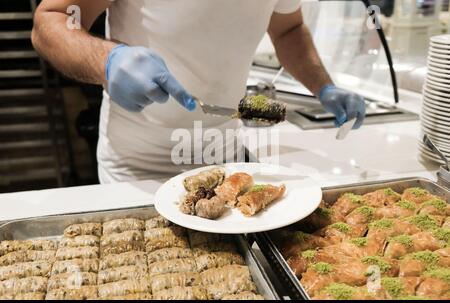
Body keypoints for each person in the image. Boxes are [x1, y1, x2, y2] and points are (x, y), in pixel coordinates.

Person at [32, 0, 366, 183]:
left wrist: (324, 86)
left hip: (226, 163)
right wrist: (107, 59)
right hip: (138, 169)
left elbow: (289, 30)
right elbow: (53, 19)